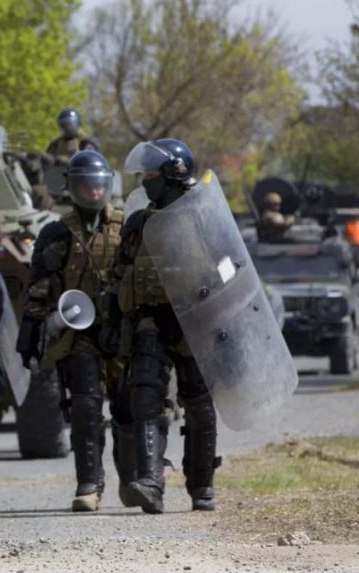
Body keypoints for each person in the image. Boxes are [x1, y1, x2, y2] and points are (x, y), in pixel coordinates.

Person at [99, 138, 219, 514]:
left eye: (150, 173)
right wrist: (111, 323)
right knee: (146, 402)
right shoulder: (138, 223)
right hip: (150, 321)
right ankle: (151, 483)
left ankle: (202, 486)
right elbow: (119, 278)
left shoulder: (203, 217)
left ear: (173, 174)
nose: (144, 179)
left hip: (195, 323)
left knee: (199, 405)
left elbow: (231, 269)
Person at [17, 150, 130, 511]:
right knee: (84, 408)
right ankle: (90, 484)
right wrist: (30, 336)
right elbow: (38, 289)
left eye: (98, 185)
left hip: (123, 330)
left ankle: (135, 479)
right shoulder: (56, 233)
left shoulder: (129, 228)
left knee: (133, 407)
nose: (93, 192)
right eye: (86, 185)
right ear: (73, 188)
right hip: (78, 332)